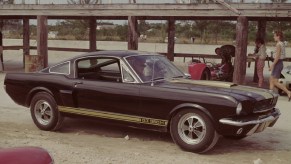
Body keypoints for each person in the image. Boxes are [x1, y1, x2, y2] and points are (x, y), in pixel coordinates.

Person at [269, 30, 291, 101]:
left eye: (274, 36)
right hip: (279, 63)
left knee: (275, 81)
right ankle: (270, 94)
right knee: (271, 79)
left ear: (278, 36)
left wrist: (272, 65)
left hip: (278, 63)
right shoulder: (282, 43)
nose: (273, 37)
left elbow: (277, 57)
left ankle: (288, 92)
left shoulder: (278, 44)